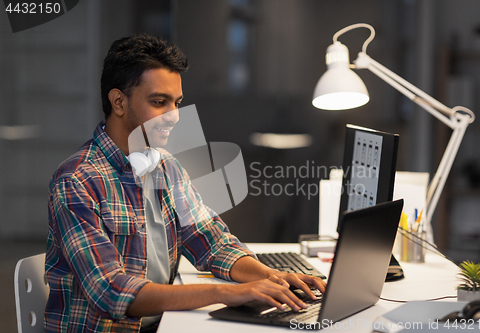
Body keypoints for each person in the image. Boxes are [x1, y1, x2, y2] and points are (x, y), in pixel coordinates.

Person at [45, 34, 326, 333]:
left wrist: (269, 276)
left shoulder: (166, 166)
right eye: (159, 102)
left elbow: (211, 241)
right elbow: (112, 291)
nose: (174, 116)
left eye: (177, 102)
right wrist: (225, 294)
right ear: (118, 102)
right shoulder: (77, 180)